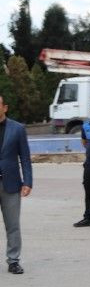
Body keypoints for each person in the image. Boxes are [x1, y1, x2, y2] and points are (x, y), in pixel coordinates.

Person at [0, 93, 32, 275]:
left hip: (11, 184)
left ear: (5, 107)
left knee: (12, 225)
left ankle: (13, 260)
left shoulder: (18, 129)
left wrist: (27, 181)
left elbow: (25, 158)